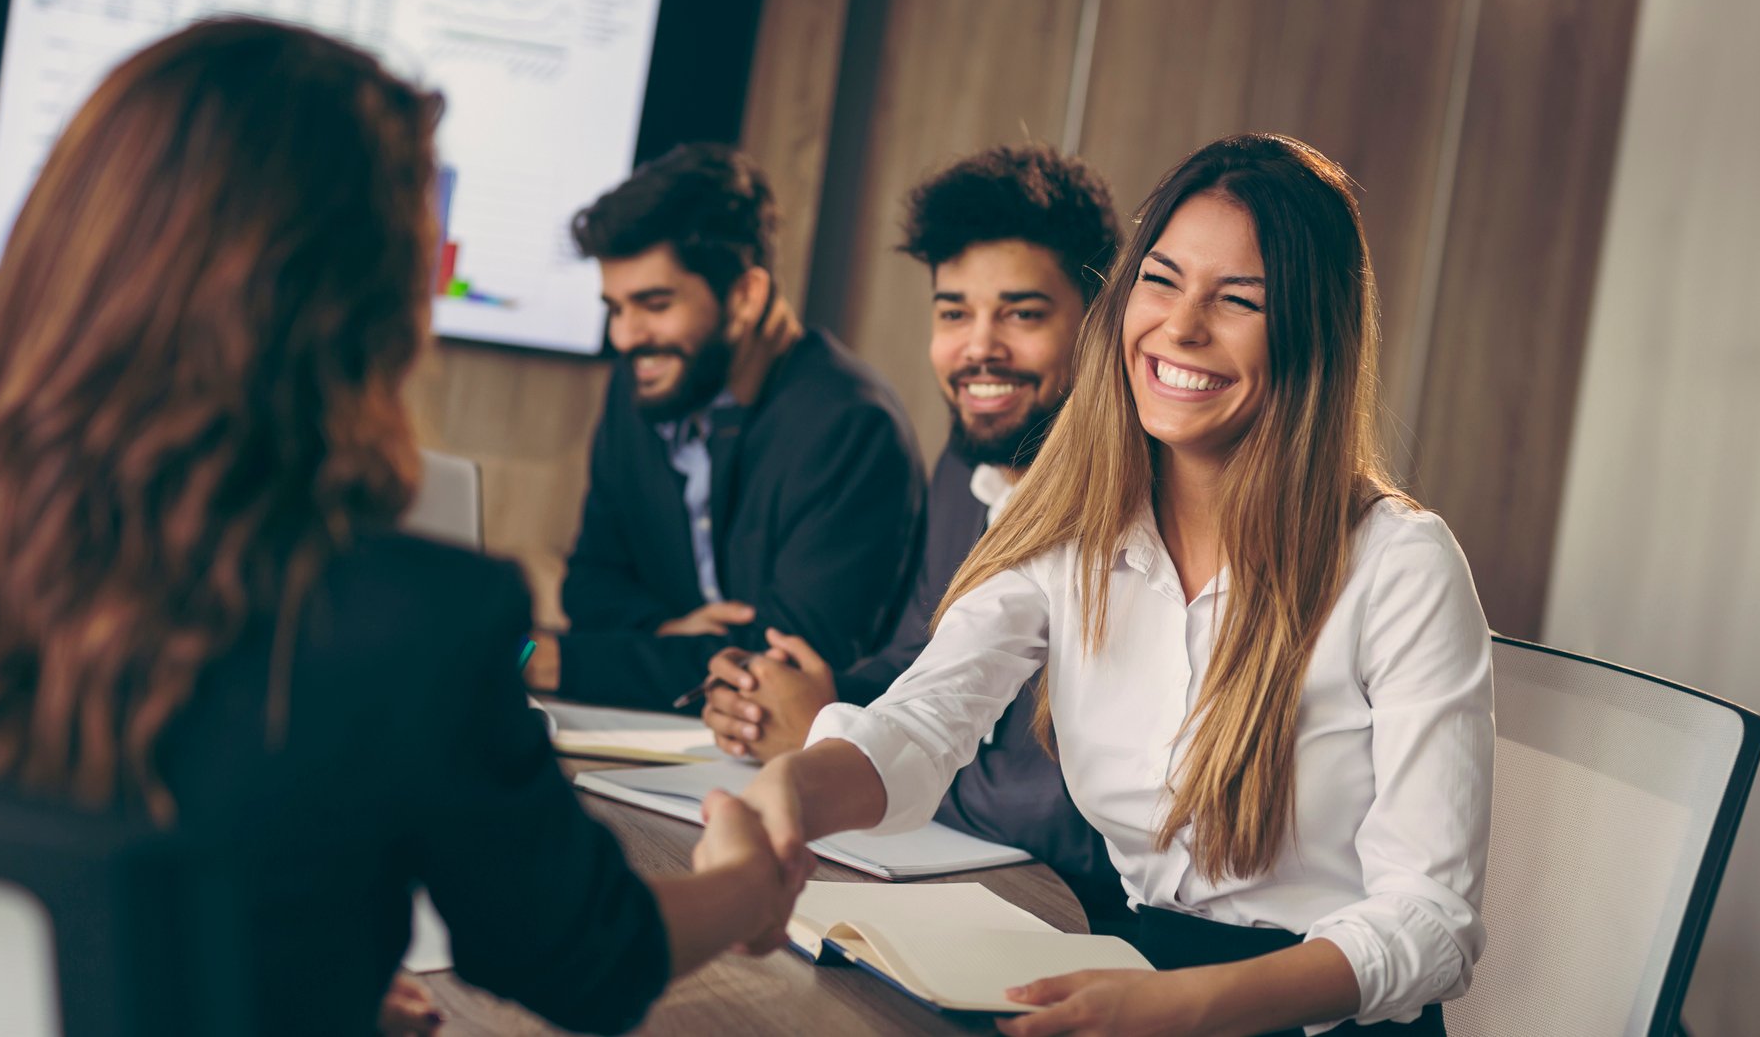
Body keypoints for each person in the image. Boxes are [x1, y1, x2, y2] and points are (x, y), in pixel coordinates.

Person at [0, 19, 800, 1037]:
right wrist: (747, 882)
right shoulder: (408, 623)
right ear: (359, 305)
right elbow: (586, 959)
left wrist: (285, 977)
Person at [738, 134, 1494, 1037]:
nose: (1179, 327)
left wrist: (1185, 1007)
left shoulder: (1400, 565)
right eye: (1161, 281)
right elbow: (923, 723)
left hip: (1307, 1013)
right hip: (1128, 971)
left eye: (1237, 301)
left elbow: (1431, 924)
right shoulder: (1073, 524)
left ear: (1309, 332)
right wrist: (787, 799)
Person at [699, 145, 1128, 916]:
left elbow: (1069, 817)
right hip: (959, 882)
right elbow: (922, 655)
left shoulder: (1138, 506)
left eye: (1022, 314)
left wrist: (829, 746)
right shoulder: (967, 461)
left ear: (1098, 324)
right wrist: (809, 699)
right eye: (953, 312)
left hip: (1079, 915)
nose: (978, 347)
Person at [526, 143, 925, 711]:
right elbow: (591, 585)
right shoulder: (642, 383)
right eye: (615, 308)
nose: (625, 336)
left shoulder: (853, 426)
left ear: (745, 295)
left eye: (654, 303)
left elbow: (789, 663)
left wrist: (562, 661)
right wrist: (670, 632)